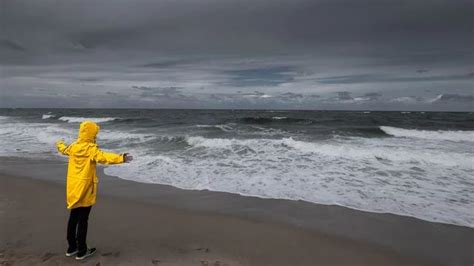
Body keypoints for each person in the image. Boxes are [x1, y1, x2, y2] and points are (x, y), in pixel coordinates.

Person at [56, 120, 133, 260]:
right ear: (91, 134)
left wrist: (59, 142)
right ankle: (82, 251)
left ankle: (71, 247)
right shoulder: (91, 149)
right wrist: (121, 157)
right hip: (85, 189)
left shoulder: (73, 147)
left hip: (73, 187)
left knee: (73, 217)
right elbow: (104, 157)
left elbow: (63, 149)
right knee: (83, 219)